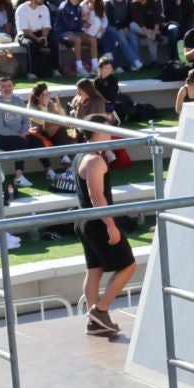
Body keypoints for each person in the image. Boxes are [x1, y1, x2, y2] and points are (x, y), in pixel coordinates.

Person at [75, 114, 137, 335]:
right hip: (98, 222)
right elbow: (97, 196)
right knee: (128, 266)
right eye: (107, 129)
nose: (111, 133)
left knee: (94, 271)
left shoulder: (81, 155)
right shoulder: (94, 160)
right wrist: (110, 225)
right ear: (97, 131)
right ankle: (100, 310)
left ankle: (96, 323)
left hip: (85, 221)